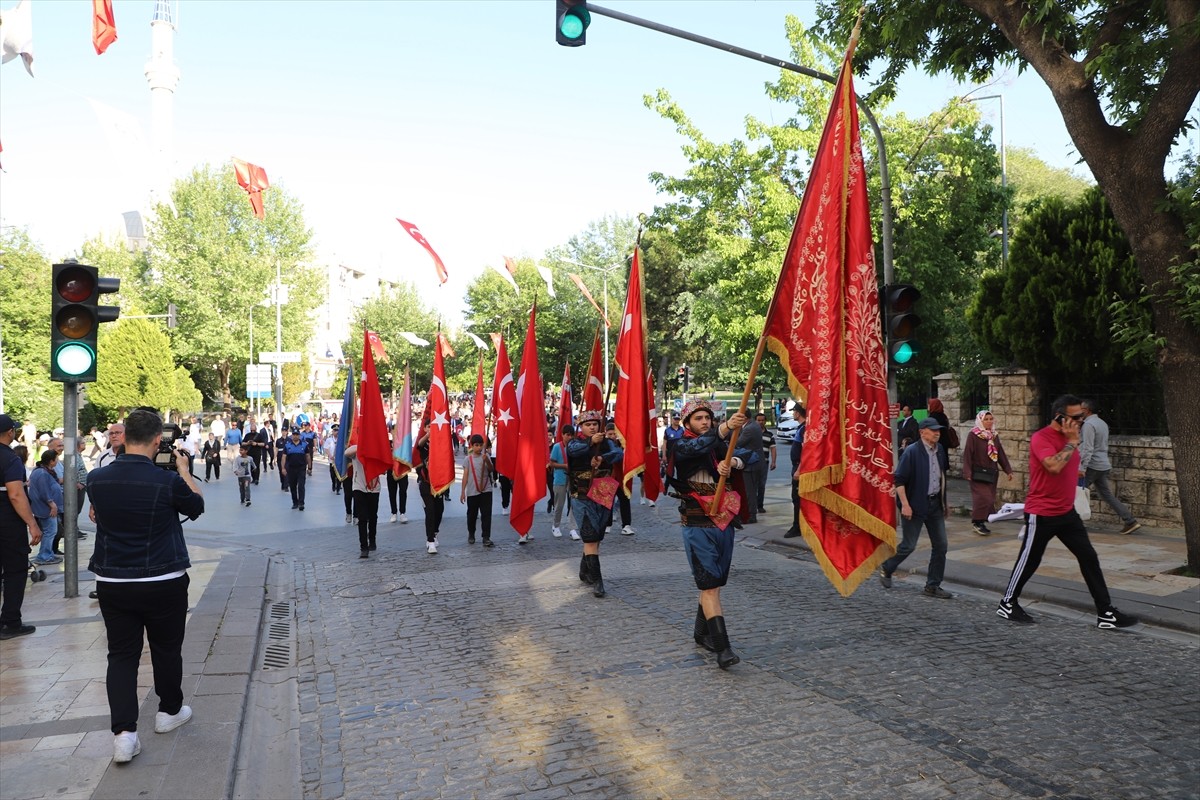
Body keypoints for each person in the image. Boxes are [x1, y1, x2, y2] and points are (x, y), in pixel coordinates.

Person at [87, 407, 204, 763]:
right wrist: (183, 470)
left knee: (121, 655)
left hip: (113, 580)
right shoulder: (167, 481)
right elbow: (196, 505)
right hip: (163, 578)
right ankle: (168, 712)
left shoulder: (97, 478)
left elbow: (99, 514)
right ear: (158, 440)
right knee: (166, 648)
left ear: (123, 438)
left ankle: (124, 734)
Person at [996, 395, 1139, 629]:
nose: (1081, 421)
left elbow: (1070, 469)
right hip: (1041, 513)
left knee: (1089, 558)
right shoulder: (1042, 438)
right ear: (1059, 417)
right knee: (1030, 559)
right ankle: (1007, 602)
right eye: (1075, 418)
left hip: (1066, 512)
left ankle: (1105, 613)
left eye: (1081, 417)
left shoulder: (1073, 436)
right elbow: (1053, 466)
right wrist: (1072, 443)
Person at [665, 400, 751, 669]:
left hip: (723, 521)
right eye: (698, 418)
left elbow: (751, 454)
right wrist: (725, 427)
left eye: (707, 418)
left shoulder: (717, 444)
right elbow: (697, 447)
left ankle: (701, 632)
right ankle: (723, 649)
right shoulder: (680, 445)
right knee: (709, 584)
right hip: (697, 522)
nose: (704, 422)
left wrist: (734, 461)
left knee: (715, 581)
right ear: (687, 422)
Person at [878, 417, 953, 599]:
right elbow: (899, 480)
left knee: (941, 545)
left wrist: (944, 502)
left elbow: (941, 476)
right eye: (933, 430)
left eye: (938, 430)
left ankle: (932, 585)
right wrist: (905, 504)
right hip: (914, 505)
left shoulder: (940, 450)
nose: (937, 433)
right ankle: (888, 567)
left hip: (934, 504)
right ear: (922, 432)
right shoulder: (911, 452)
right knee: (909, 545)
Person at [566, 410, 624, 597]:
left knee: (597, 535)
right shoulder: (575, 442)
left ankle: (585, 570)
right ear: (581, 427)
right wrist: (591, 443)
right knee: (590, 536)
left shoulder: (607, 442)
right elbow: (574, 451)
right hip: (582, 493)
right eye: (587, 424)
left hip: (604, 489)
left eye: (594, 424)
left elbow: (618, 453)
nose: (592, 427)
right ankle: (597, 581)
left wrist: (602, 458)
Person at [0, 414, 43, 640]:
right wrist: (32, 524)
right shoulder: (10, 459)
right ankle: (10, 622)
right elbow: (16, 495)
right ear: (10, 433)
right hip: (7, 525)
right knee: (15, 572)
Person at [1078, 399, 1140, 535]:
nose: (1078, 410)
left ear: (1087, 410)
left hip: (1091, 466)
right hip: (1103, 464)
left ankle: (1073, 523)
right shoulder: (1102, 423)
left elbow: (1087, 448)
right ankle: (1130, 521)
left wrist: (1081, 467)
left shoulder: (1088, 425)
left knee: (1075, 493)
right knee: (1106, 495)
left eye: (1081, 408)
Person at [962, 410, 1013, 535]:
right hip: (977, 473)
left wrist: (1008, 470)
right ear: (980, 421)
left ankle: (981, 521)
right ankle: (977, 522)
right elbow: (968, 454)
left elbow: (1000, 453)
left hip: (991, 473)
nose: (989, 422)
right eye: (986, 419)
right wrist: (967, 471)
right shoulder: (973, 435)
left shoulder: (994, 436)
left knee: (989, 499)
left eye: (991, 419)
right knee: (983, 498)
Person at [343, 444, 381, 558]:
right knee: (362, 517)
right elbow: (347, 453)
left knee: (373, 516)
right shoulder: (356, 448)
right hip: (359, 487)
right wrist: (363, 446)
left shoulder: (376, 447)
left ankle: (372, 538)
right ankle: (364, 547)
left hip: (374, 487)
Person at [28, 450, 64, 566]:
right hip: (46, 508)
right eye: (56, 459)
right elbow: (44, 492)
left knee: (50, 531)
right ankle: (44, 556)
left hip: (45, 507)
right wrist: (51, 504)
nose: (57, 461)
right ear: (51, 461)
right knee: (50, 531)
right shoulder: (42, 473)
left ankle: (47, 553)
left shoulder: (43, 471)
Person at [459, 434, 495, 547]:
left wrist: (487, 461)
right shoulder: (467, 459)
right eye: (476, 445)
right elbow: (465, 475)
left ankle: (486, 537)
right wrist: (462, 492)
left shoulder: (486, 456)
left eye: (480, 445)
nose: (478, 448)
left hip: (486, 490)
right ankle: (471, 533)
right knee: (472, 515)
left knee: (486, 514)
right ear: (472, 446)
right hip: (473, 491)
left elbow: (491, 469)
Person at [548, 426, 580, 540]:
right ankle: (556, 525)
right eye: (567, 435)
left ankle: (572, 528)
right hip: (560, 478)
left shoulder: (575, 447)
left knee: (574, 503)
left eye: (571, 435)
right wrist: (564, 466)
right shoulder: (557, 447)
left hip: (573, 478)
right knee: (559, 504)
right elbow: (552, 463)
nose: (569, 437)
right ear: (562, 435)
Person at [783, 405, 807, 539]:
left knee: (797, 499)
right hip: (797, 466)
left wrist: (798, 470)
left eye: (794, 412)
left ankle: (797, 526)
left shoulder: (804, 428)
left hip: (800, 468)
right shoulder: (802, 427)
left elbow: (806, 452)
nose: (793, 414)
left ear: (798, 413)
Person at [280, 426, 313, 511]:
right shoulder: (287, 446)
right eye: (294, 434)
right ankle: (295, 502)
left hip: (301, 468)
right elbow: (283, 457)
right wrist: (283, 468)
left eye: (297, 434)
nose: (295, 436)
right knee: (293, 486)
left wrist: (309, 467)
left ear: (299, 435)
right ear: (292, 435)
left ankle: (301, 503)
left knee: (301, 486)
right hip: (291, 469)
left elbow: (308, 456)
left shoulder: (304, 445)